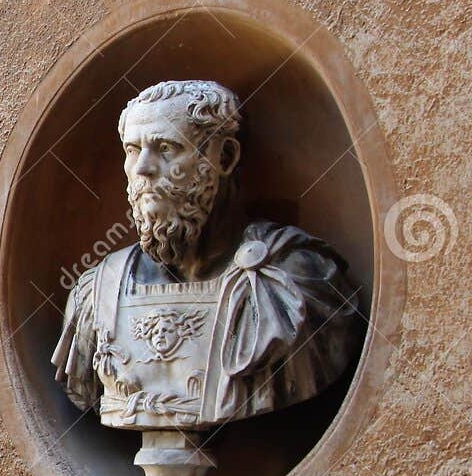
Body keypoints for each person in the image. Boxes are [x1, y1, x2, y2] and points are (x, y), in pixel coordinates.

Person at [54, 79, 359, 433]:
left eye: (166, 147)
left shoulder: (297, 282)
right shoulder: (96, 293)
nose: (143, 169)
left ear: (224, 157)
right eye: (133, 149)